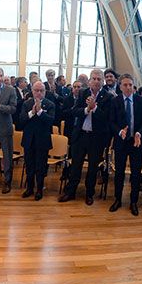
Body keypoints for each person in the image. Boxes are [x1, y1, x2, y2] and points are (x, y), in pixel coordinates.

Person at [59, 69, 113, 205]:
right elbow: (74, 111)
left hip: (96, 138)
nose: (96, 81)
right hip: (81, 135)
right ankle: (70, 192)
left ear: (102, 81)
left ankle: (89, 194)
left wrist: (94, 108)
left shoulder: (108, 97)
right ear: (89, 81)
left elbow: (106, 118)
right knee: (76, 166)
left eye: (98, 79)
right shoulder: (83, 93)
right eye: (93, 78)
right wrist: (86, 109)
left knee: (92, 168)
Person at [108, 74, 142, 216]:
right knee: (119, 172)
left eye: (130, 85)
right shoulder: (115, 101)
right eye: (125, 85)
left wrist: (139, 133)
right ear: (120, 87)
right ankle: (118, 199)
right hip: (121, 142)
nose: (128, 87)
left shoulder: (141, 100)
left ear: (133, 86)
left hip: (136, 142)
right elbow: (111, 122)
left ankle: (133, 202)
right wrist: (120, 132)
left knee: (136, 173)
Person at [19, 81, 55, 201]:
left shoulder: (50, 104)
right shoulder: (26, 104)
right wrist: (32, 112)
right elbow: (21, 121)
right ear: (32, 91)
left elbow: (50, 121)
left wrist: (40, 112)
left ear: (45, 91)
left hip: (42, 141)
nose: (39, 93)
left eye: (41, 91)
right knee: (29, 166)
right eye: (36, 90)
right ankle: (29, 188)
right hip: (29, 140)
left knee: (40, 167)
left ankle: (39, 190)